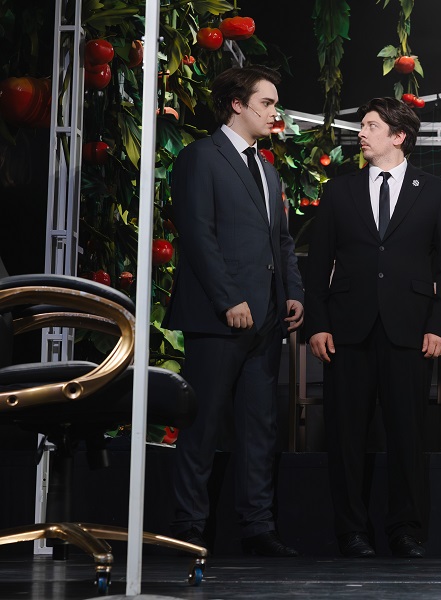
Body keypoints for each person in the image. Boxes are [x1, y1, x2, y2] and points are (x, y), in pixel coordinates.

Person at [304, 97, 441, 558]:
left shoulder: (434, 190)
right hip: (346, 330)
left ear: (398, 136)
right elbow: (317, 265)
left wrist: (439, 326)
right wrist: (318, 323)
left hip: (410, 330)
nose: (361, 132)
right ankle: (351, 532)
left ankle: (406, 530)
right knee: (345, 435)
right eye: (362, 125)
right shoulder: (339, 190)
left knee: (408, 435)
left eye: (371, 125)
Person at [163, 65, 304, 557]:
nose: (274, 112)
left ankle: (257, 526)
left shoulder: (267, 168)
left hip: (267, 317)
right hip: (217, 317)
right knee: (202, 425)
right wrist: (228, 299)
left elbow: (281, 240)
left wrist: (293, 292)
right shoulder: (199, 157)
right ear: (237, 105)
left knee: (259, 427)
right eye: (267, 102)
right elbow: (197, 236)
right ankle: (187, 527)